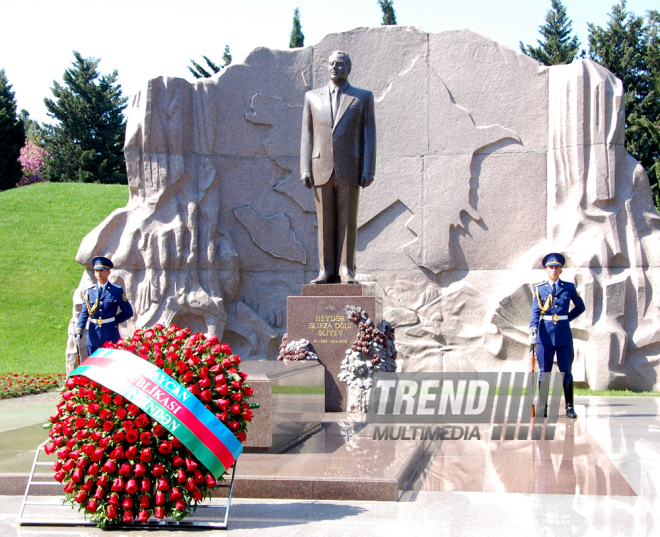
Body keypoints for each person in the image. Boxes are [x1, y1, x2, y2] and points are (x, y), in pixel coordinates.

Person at [300, 50, 376, 284]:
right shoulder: (312, 97)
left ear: (348, 69)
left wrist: (368, 168)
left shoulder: (362, 97)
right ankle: (326, 271)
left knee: (347, 220)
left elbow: (369, 134)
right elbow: (307, 134)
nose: (335, 67)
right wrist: (305, 168)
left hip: (350, 167)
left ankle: (346, 269)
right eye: (331, 64)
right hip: (320, 166)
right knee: (324, 222)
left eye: (340, 64)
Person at [529, 253, 585, 418]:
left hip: (563, 335)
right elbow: (535, 311)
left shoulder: (568, 288)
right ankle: (543, 407)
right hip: (545, 335)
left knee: (566, 371)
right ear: (546, 270)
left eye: (556, 267)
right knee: (544, 372)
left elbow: (580, 307)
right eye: (551, 267)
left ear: (561, 270)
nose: (554, 270)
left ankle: (569, 407)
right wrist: (533, 328)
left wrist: (567, 318)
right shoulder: (539, 289)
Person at [74, 256, 134, 357]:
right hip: (94, 335)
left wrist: (114, 320)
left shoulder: (116, 291)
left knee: (110, 366)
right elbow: (84, 314)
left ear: (108, 272)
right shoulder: (89, 292)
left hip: (110, 334)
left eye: (101, 271)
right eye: (96, 271)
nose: (98, 273)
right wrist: (79, 331)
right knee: (93, 366)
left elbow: (128, 312)